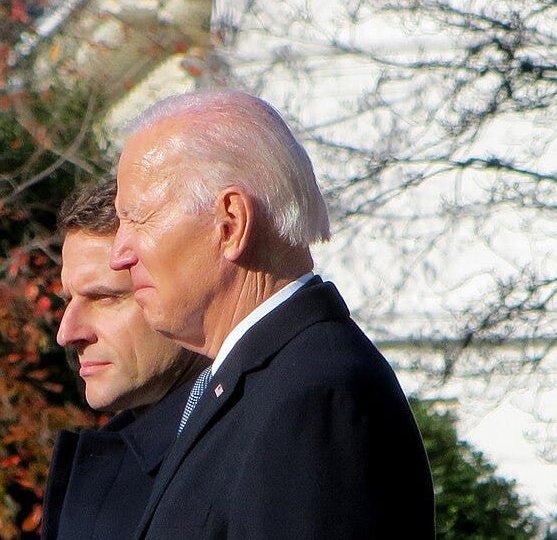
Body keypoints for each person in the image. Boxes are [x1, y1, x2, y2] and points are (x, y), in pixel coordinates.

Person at [110, 88, 435, 539]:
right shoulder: (261, 384)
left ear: (231, 224)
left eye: (137, 218)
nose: (118, 254)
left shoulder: (313, 398)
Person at [40, 178, 209, 540]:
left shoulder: (252, 448)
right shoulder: (109, 463)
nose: (67, 333)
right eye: (66, 299)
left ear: (184, 290)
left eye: (104, 298)